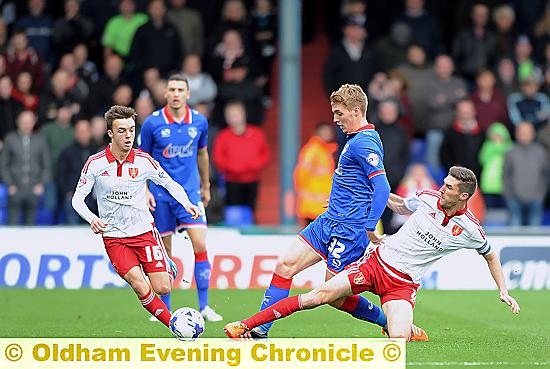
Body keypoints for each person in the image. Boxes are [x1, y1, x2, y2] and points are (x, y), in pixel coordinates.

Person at [224, 166, 521, 341]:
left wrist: (503, 290)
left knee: (399, 340)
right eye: (444, 184)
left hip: (403, 286)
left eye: (449, 187)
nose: (441, 189)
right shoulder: (427, 198)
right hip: (375, 263)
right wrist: (362, 196)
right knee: (318, 297)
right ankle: (246, 326)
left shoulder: (469, 228)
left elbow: (491, 254)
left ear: (463, 196)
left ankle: (399, 326)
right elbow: (400, 205)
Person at [247, 84, 391, 339]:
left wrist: (369, 227)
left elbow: (382, 186)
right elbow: (359, 182)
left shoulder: (364, 143)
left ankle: (389, 321)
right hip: (329, 220)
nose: (335, 120)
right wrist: (339, 198)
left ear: (356, 111)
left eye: (339, 113)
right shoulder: (355, 139)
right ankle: (261, 329)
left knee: (334, 296)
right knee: (285, 265)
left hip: (350, 229)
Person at [71, 105, 200, 329]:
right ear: (110, 133)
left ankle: (165, 264)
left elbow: (168, 183)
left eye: (131, 129)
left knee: (163, 288)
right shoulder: (95, 163)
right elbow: (77, 199)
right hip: (114, 237)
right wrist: (92, 218)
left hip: (144, 232)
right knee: (140, 286)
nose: (128, 135)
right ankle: (175, 326)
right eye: (122, 130)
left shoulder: (143, 161)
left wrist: (186, 203)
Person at [139, 73, 223, 322]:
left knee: (200, 244)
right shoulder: (153, 123)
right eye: (172, 89)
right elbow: (143, 159)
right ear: (165, 94)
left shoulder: (199, 121)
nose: (175, 94)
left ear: (188, 94)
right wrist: (144, 189)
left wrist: (206, 186)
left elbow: (203, 155)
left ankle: (205, 306)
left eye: (180, 90)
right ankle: (165, 308)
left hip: (189, 194)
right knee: (164, 252)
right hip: (160, 195)